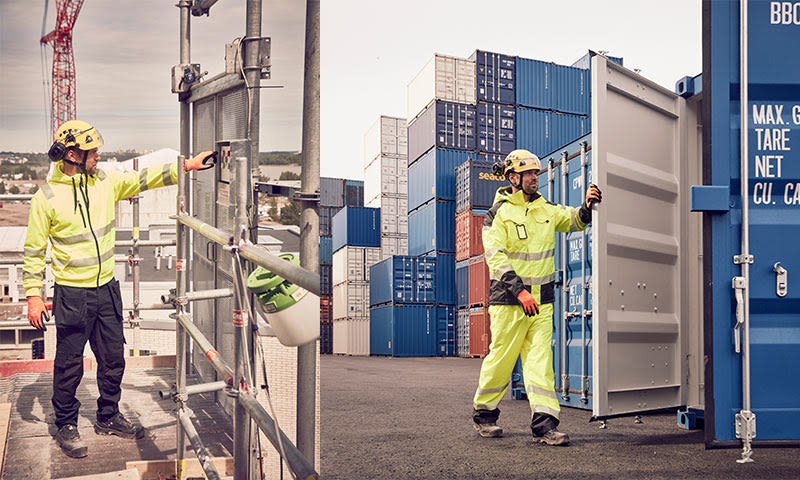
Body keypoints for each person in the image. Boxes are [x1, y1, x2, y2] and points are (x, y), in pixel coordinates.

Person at [23, 120, 216, 458]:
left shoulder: (105, 182)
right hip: (71, 294)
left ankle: (108, 415)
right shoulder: (46, 198)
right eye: (92, 151)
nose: (99, 155)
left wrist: (186, 165)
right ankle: (66, 424)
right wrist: (33, 295)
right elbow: (34, 251)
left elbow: (146, 178)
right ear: (72, 154)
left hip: (106, 290)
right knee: (69, 364)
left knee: (113, 358)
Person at [472, 149, 602, 446]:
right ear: (513, 178)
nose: (535, 178)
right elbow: (495, 257)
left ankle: (544, 425)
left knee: (540, 362)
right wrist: (519, 290)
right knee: (502, 360)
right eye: (529, 173)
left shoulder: (546, 209)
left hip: (542, 303)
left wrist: (587, 205)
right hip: (508, 301)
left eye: (536, 173)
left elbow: (575, 220)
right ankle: (485, 414)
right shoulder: (498, 213)